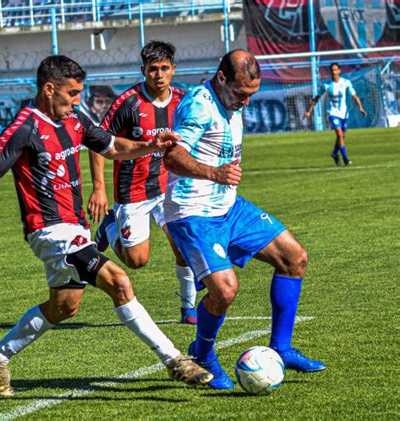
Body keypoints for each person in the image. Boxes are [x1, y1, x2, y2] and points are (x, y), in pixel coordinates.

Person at [0, 55, 212, 397]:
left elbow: (111, 147)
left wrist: (149, 145)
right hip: (49, 231)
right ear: (50, 89)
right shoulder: (24, 127)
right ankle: (174, 360)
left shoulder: (75, 120)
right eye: (72, 93)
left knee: (64, 306)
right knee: (119, 282)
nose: (78, 100)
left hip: (75, 228)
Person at [163, 49, 326, 390]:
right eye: (241, 94)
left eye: (252, 94)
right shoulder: (199, 105)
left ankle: (281, 347)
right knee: (224, 290)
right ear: (221, 79)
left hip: (229, 207)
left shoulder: (232, 99)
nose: (247, 102)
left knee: (294, 257)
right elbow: (173, 157)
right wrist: (213, 172)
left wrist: (221, 180)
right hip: (193, 213)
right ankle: (203, 355)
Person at [89, 41, 198, 325]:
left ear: (173, 70)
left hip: (169, 187)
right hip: (132, 190)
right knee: (137, 260)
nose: (159, 75)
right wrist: (99, 188)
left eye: (164, 68)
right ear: (143, 71)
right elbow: (97, 143)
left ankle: (188, 308)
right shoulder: (129, 103)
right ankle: (110, 228)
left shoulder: (183, 102)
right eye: (153, 70)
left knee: (183, 245)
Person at [304, 63, 367, 166]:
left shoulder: (346, 83)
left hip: (344, 113)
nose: (334, 72)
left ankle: (334, 153)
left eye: (335, 70)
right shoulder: (326, 85)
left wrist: (360, 107)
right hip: (332, 113)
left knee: (342, 136)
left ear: (339, 71)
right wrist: (309, 111)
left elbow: (354, 96)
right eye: (332, 70)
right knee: (339, 134)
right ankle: (346, 159)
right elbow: (317, 98)